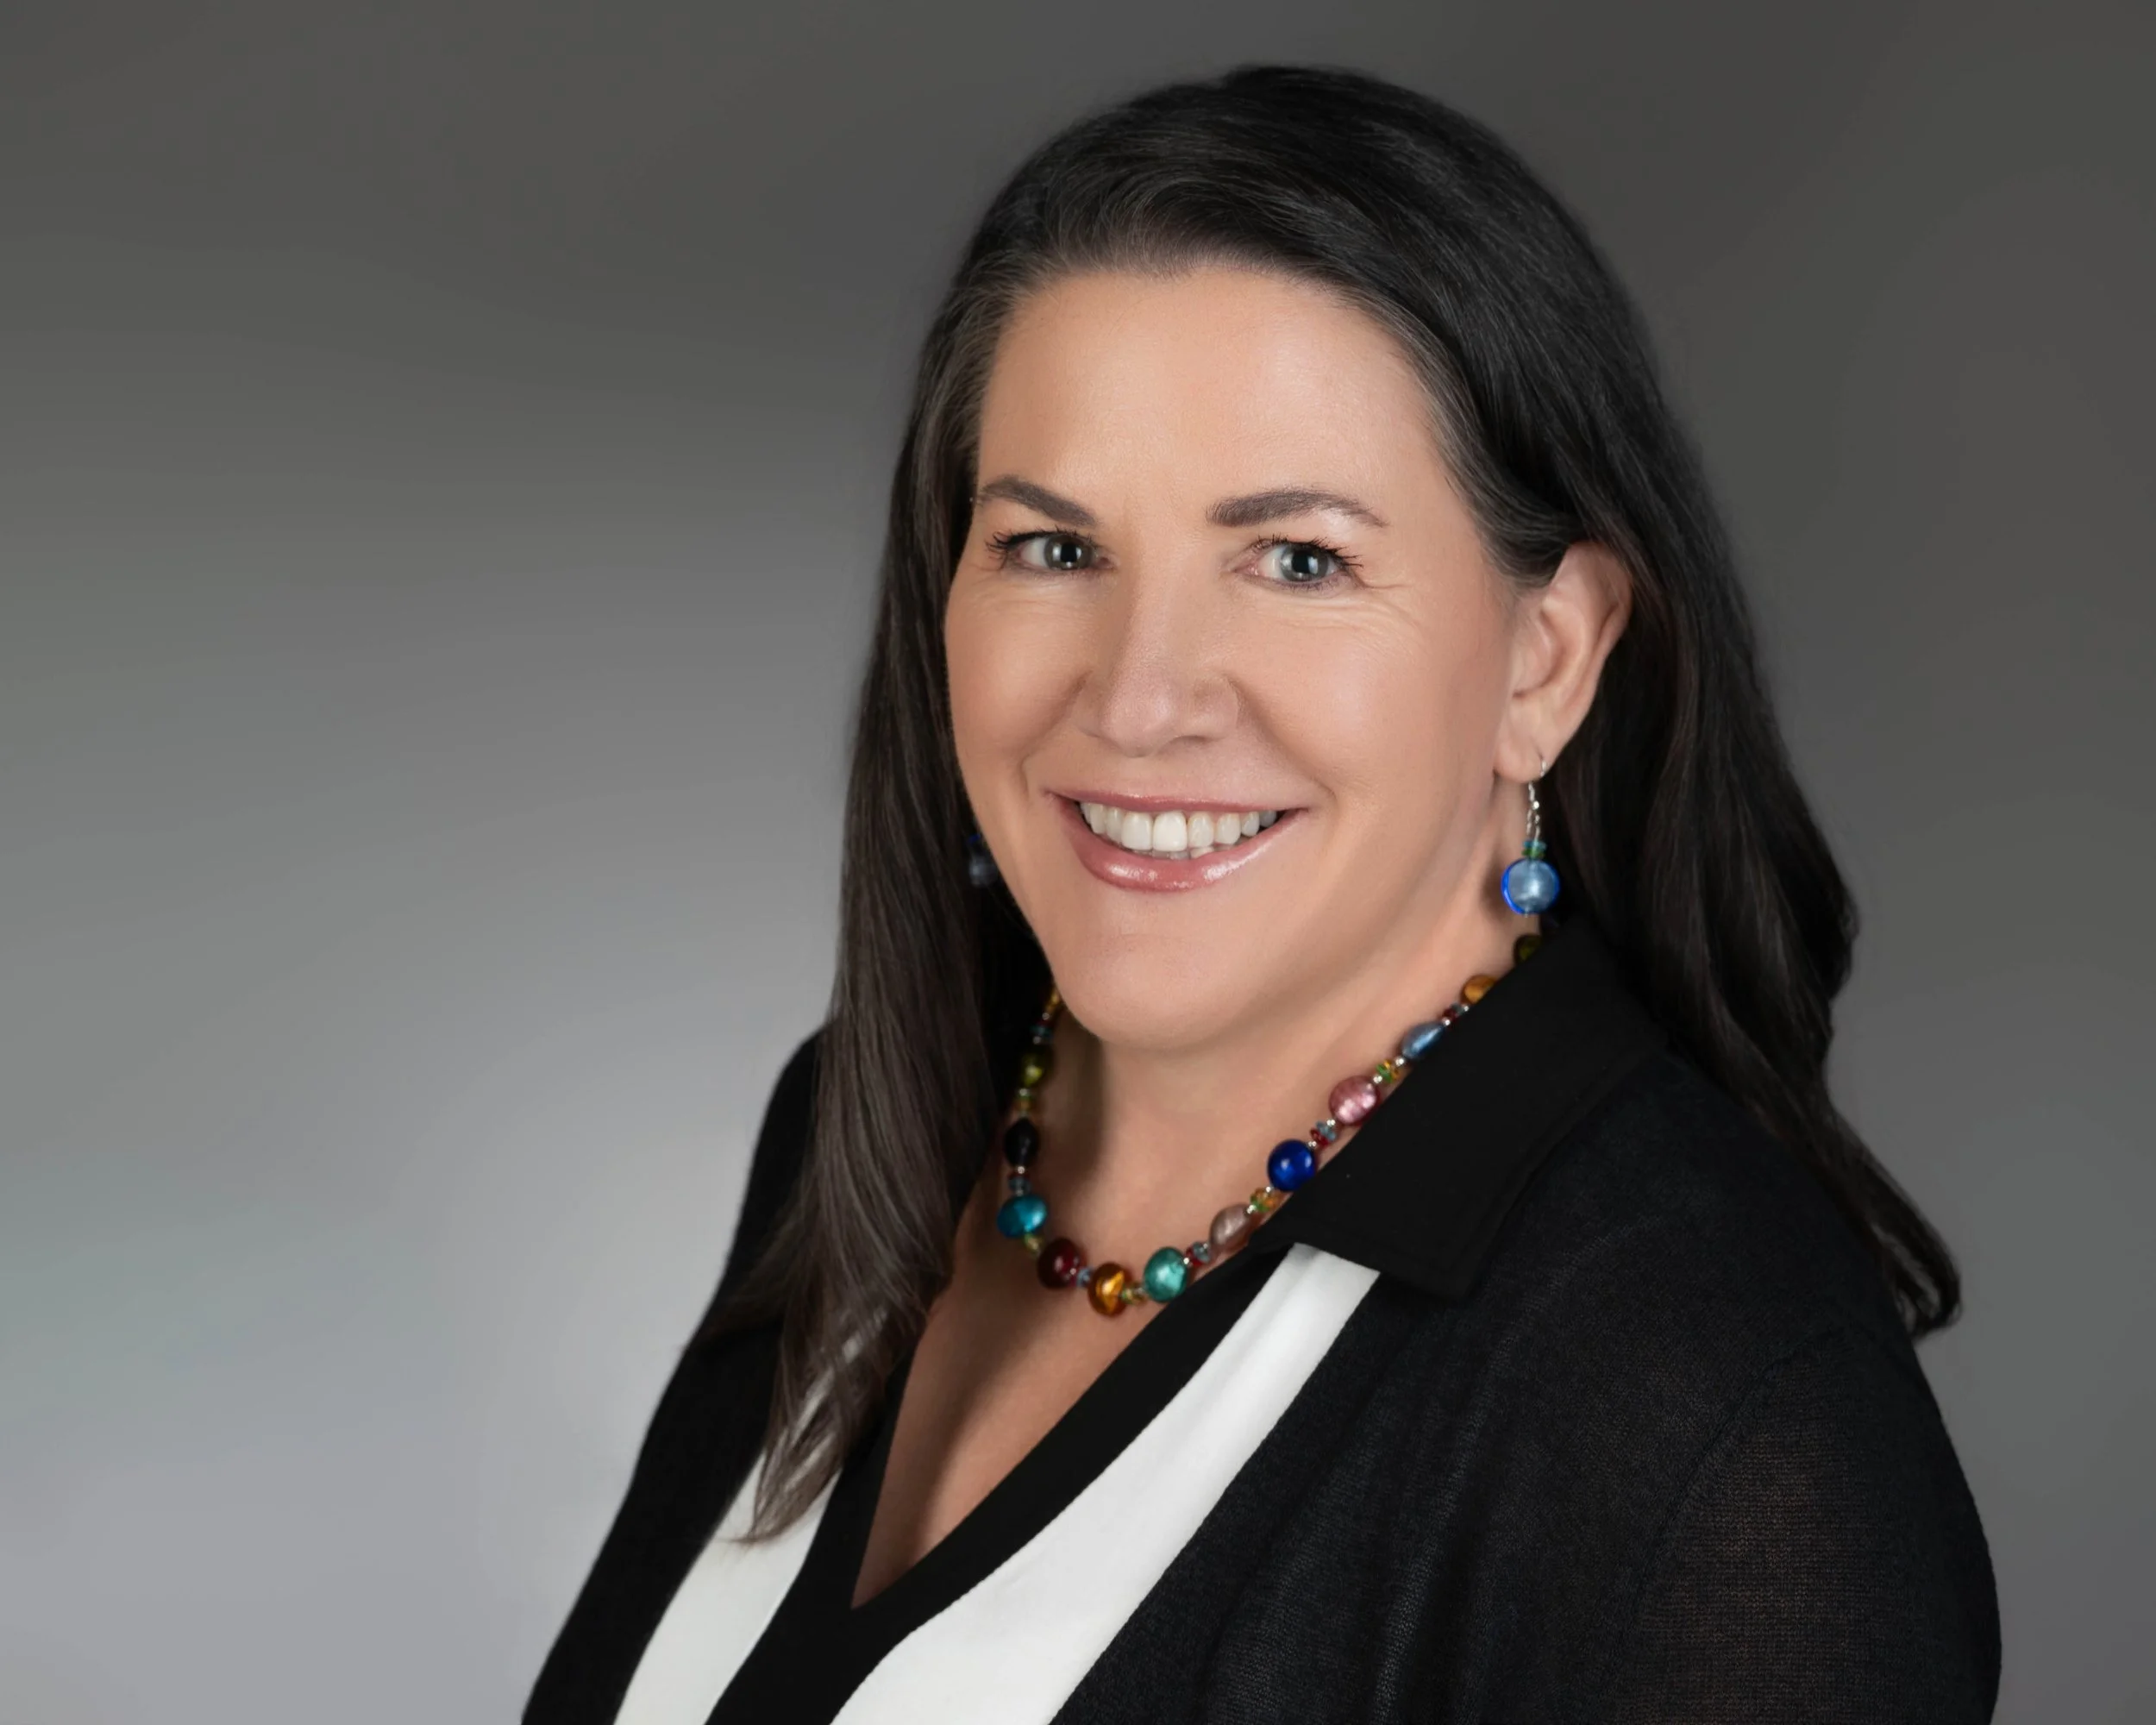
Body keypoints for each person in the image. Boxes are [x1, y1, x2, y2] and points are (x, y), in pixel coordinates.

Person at [524, 63, 2000, 1724]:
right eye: (1051, 548)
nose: (1140, 698)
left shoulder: (1705, 1411)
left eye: (1297, 561)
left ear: (1549, 655)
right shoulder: (867, 1119)